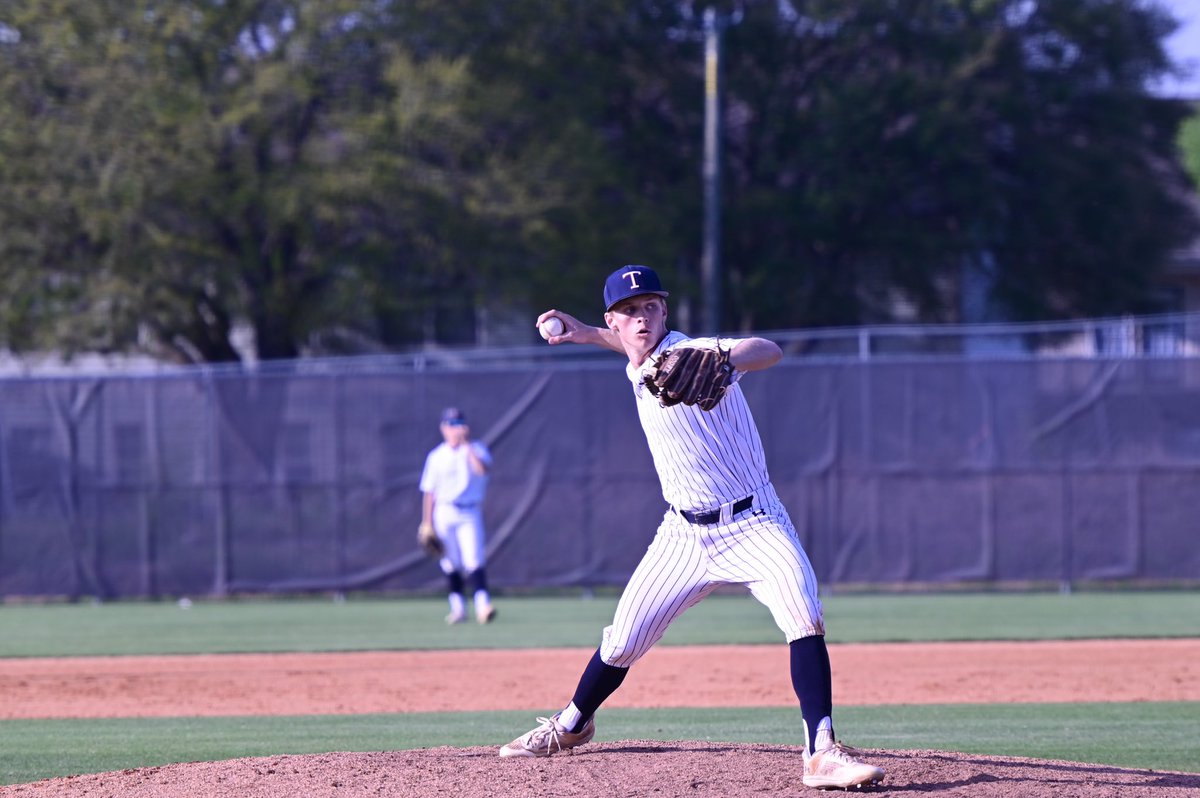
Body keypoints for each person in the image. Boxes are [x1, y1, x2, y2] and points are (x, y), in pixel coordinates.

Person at [498, 265, 884, 790]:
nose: (642, 319)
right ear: (615, 318)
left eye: (651, 307)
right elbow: (633, 352)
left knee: (804, 612)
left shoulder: (693, 351)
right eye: (630, 312)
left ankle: (821, 750)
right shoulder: (637, 357)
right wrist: (584, 333)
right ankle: (571, 724)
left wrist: (722, 358)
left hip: (754, 521)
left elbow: (766, 350)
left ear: (665, 313)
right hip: (682, 534)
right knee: (622, 642)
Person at [418, 407, 497, 625]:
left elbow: (481, 470)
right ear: (443, 428)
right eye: (452, 424)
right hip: (444, 511)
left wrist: (467, 445)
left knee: (474, 560)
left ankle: (483, 607)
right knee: (450, 563)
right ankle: (458, 609)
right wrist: (426, 522)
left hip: (469, 511)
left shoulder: (476, 449)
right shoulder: (436, 456)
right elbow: (429, 492)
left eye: (459, 423)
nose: (456, 429)